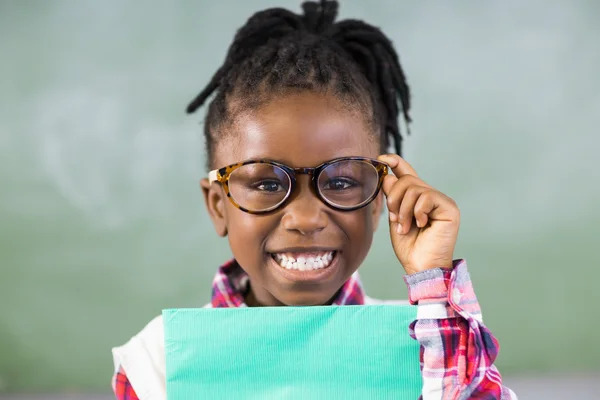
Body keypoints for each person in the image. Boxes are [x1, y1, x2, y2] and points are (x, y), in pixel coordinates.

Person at [112, 1, 517, 398]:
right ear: (219, 205)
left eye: (340, 183)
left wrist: (433, 284)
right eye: (268, 185)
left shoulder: (432, 342)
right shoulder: (158, 363)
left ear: (378, 200)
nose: (305, 217)